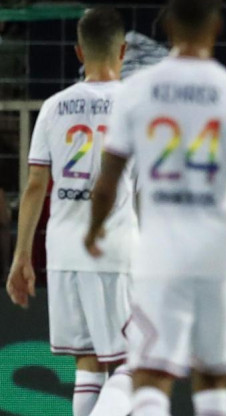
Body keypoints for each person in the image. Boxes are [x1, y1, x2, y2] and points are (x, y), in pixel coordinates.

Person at [83, 1, 226, 415]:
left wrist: (95, 229)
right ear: (218, 25)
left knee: (151, 373)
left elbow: (108, 176)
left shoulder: (137, 90)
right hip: (217, 250)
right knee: (212, 377)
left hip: (159, 248)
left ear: (168, 25)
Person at [5, 8, 136, 416]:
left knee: (88, 361)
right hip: (115, 249)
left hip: (63, 251)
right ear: (123, 50)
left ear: (79, 51)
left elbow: (34, 187)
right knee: (135, 363)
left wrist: (21, 256)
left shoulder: (54, 107)